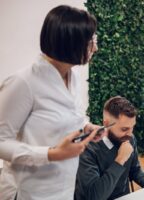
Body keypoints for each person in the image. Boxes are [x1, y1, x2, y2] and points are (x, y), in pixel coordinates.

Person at [0, 5, 102, 200]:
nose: (95, 48)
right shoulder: (23, 83)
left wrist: (86, 127)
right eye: (91, 42)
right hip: (29, 191)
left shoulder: (73, 76)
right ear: (70, 42)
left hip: (62, 186)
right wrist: (52, 154)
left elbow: (71, 115)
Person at [75, 96, 144, 200]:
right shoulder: (87, 148)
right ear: (106, 124)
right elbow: (94, 196)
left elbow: (135, 171)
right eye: (124, 129)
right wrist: (120, 160)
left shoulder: (129, 138)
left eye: (132, 127)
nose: (130, 134)